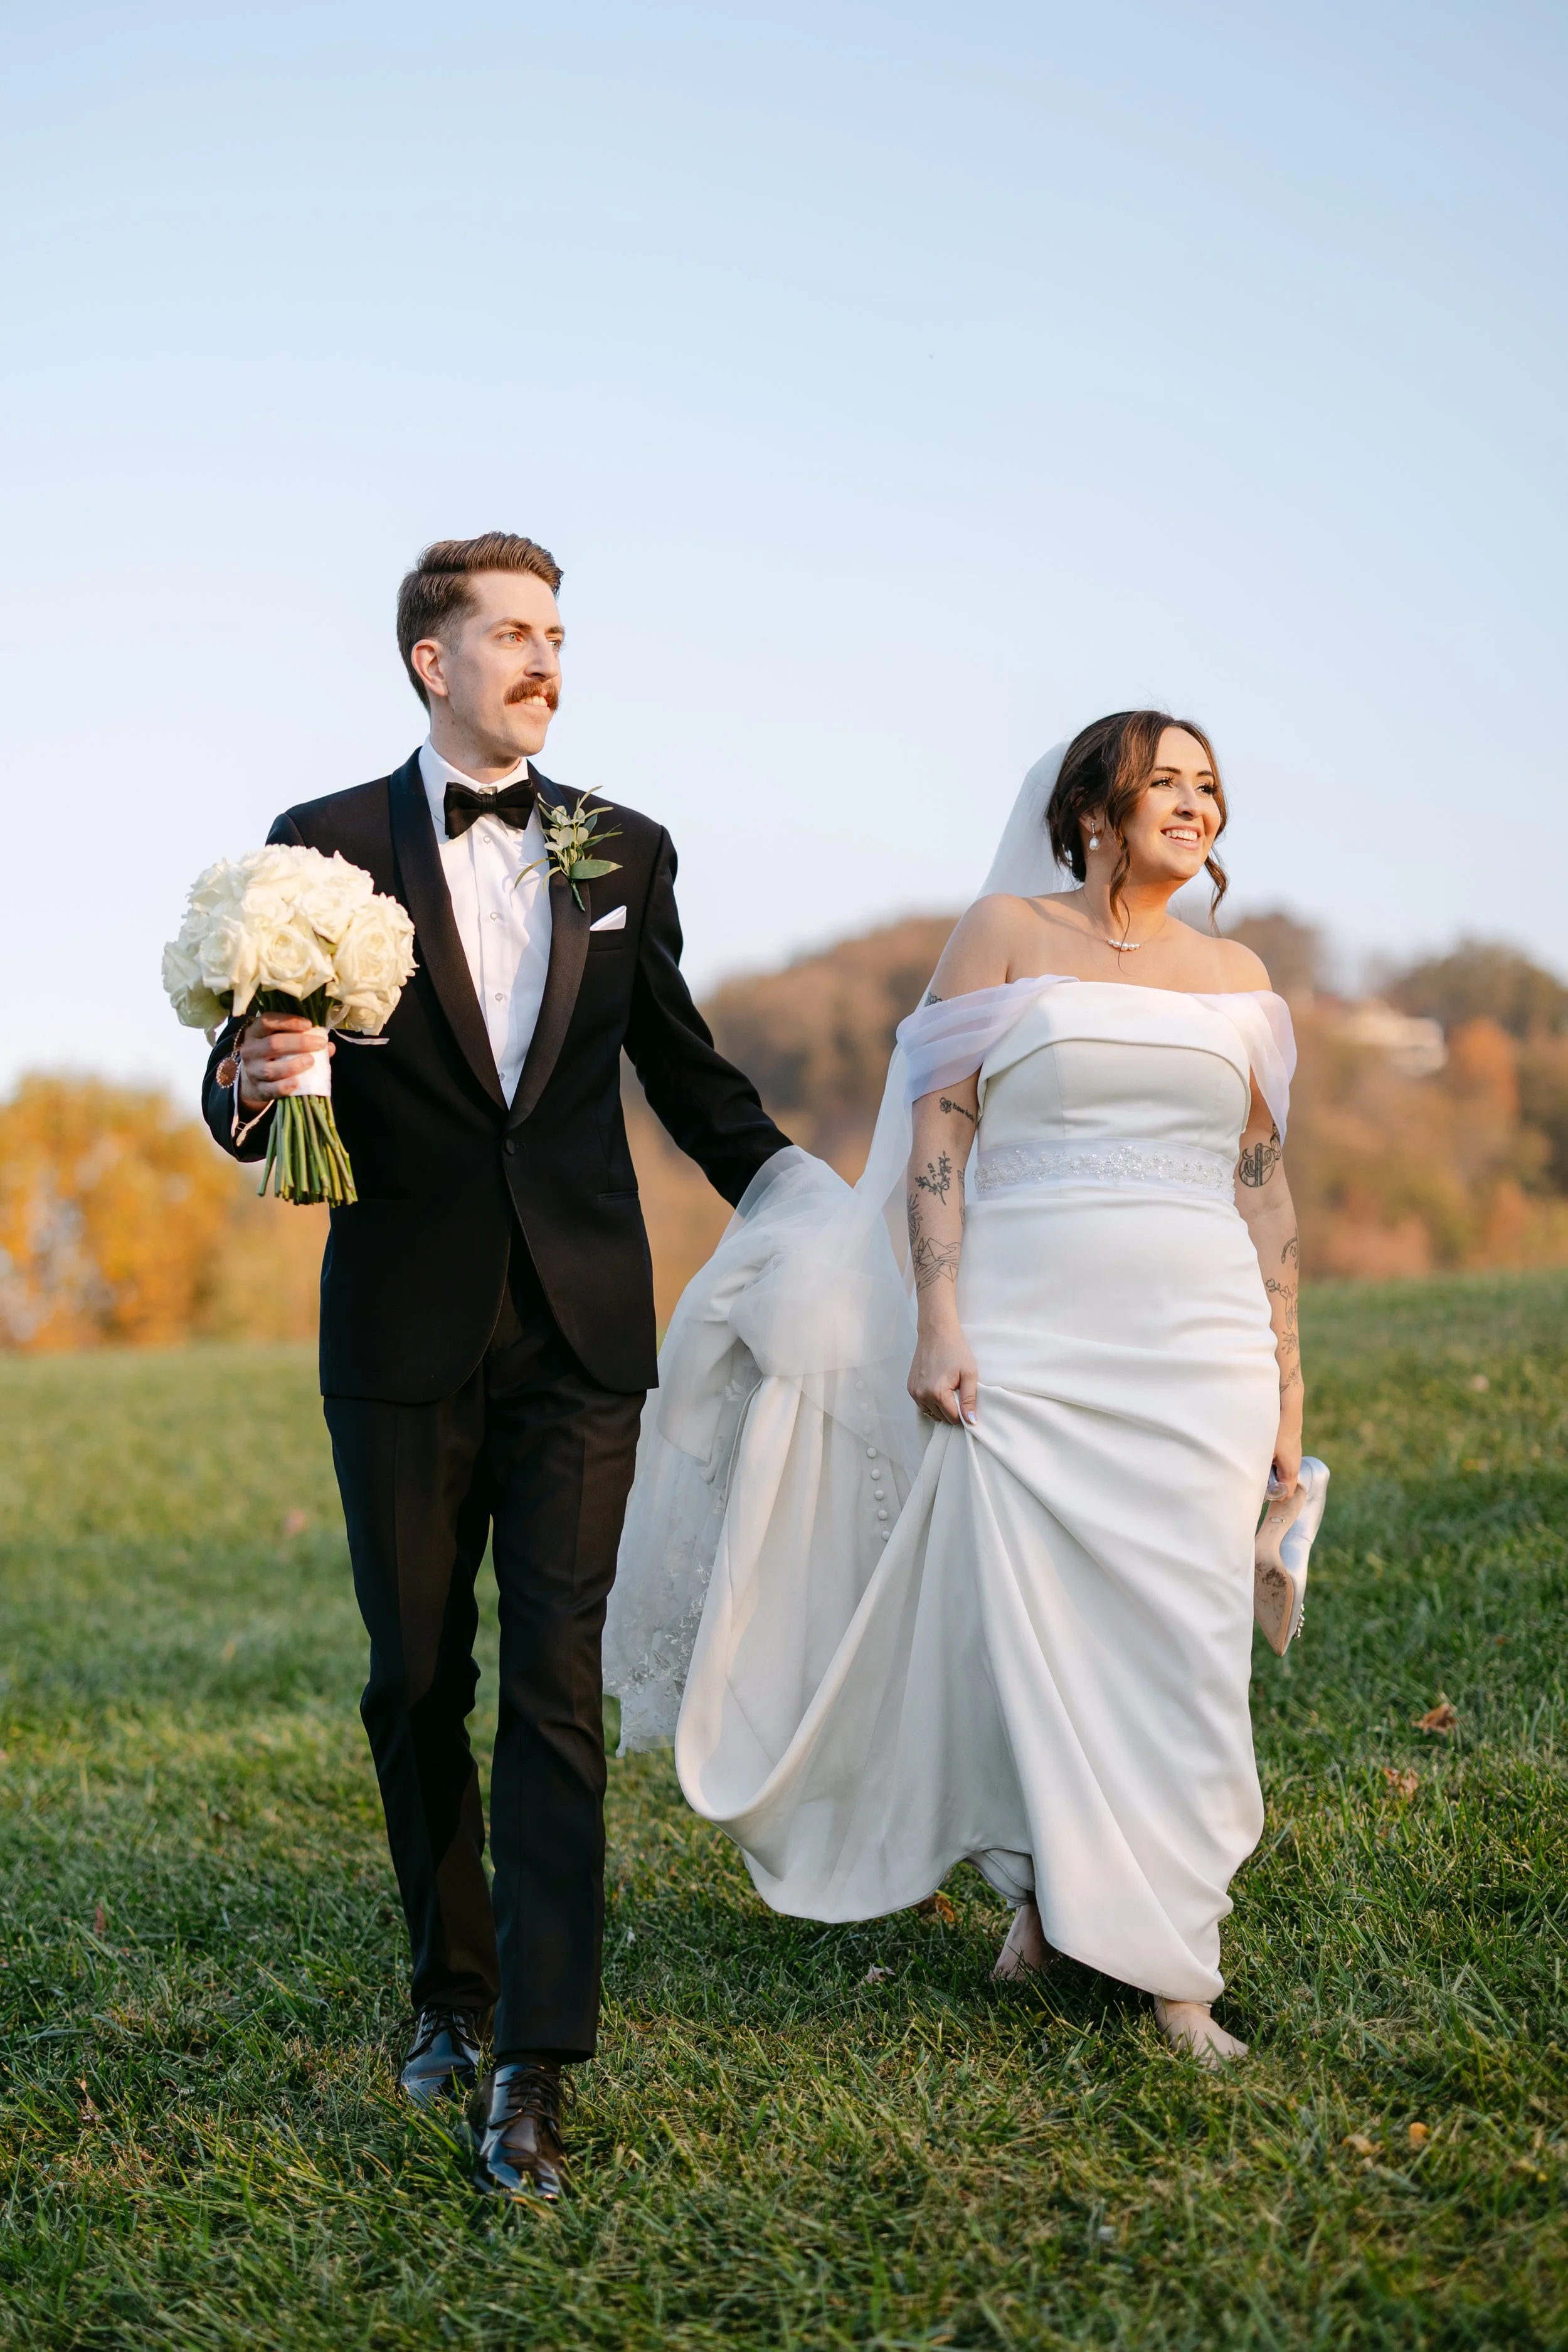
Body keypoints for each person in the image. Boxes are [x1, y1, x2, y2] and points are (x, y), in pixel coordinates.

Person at [202, 532, 790, 2199]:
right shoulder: (318, 846)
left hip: (585, 1326)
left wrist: (802, 1198)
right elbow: (240, 1076)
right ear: (427, 659)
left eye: (555, 633)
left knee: (550, 1684)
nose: (543, 657)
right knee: (412, 1679)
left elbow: (677, 1060)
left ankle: (535, 2057)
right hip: (397, 1324)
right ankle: (445, 1994)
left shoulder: (620, 843)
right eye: (509, 633)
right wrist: (255, 1078)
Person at [607, 711, 1305, 2065]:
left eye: (1208, 787)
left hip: (1199, 1339)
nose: (1194, 805)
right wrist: (935, 1318)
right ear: (1090, 807)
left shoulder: (1237, 974)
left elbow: (1261, 1190)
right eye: (1164, 781)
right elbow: (938, 1137)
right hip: (1027, 1336)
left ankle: (1170, 1956)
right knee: (1023, 1626)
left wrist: (1286, 1383)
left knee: (1189, 1641)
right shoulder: (999, 935)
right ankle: (1055, 1903)